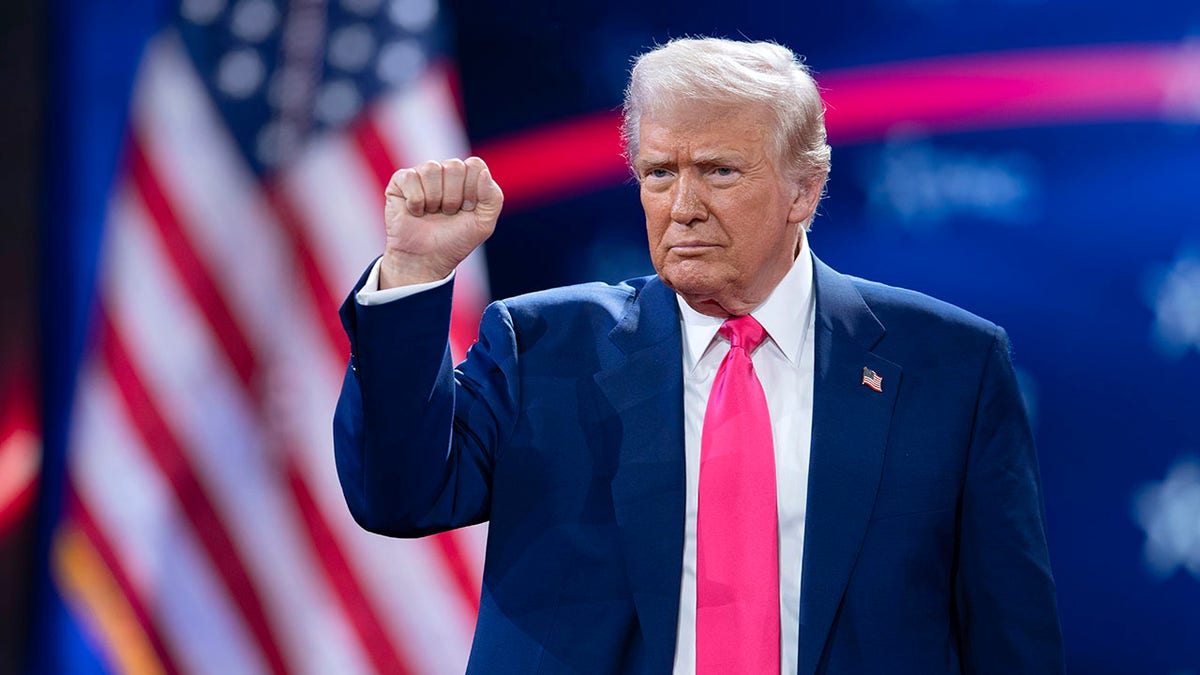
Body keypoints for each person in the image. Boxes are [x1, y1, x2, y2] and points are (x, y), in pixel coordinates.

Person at [333, 37, 1064, 674]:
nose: (682, 206)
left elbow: (1010, 639)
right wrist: (414, 275)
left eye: (718, 172)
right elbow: (398, 493)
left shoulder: (949, 367)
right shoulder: (544, 348)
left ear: (804, 188)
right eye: (658, 173)